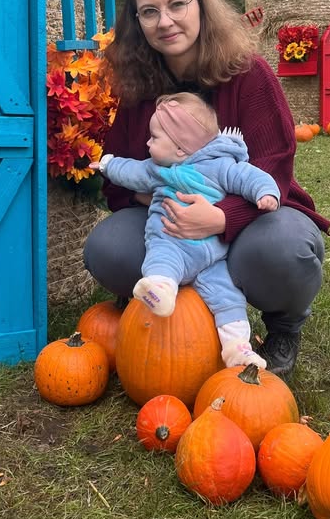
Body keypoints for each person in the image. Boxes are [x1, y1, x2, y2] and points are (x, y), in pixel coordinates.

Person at [83, 0, 330, 379]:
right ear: (137, 22)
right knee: (108, 249)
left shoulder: (249, 75)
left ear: (201, 4)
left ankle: (284, 326)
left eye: (178, 4)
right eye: (149, 11)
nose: (165, 21)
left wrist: (217, 217)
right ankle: (172, 301)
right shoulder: (138, 88)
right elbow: (117, 184)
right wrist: (168, 195)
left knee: (284, 250)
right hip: (170, 221)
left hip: (253, 216)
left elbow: (274, 170)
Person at [91, 92, 280, 370]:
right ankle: (161, 289)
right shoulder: (160, 168)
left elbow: (250, 176)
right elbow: (130, 171)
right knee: (164, 256)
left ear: (180, 149)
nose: (147, 143)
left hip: (211, 252)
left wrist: (266, 193)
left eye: (154, 138)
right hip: (176, 241)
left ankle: (238, 349)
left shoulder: (221, 165)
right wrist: (108, 165)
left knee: (227, 296)